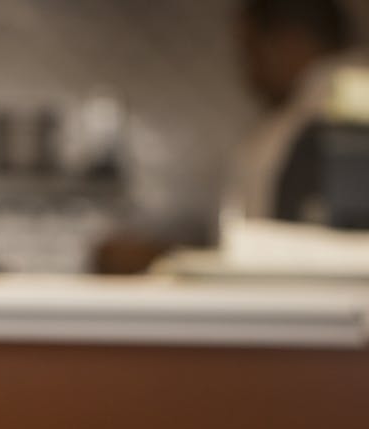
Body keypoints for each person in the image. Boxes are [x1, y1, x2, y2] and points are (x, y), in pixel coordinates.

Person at [94, 0, 360, 274]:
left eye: (252, 52)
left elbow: (258, 257)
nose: (249, 74)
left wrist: (159, 258)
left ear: (290, 42)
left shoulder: (290, 133)